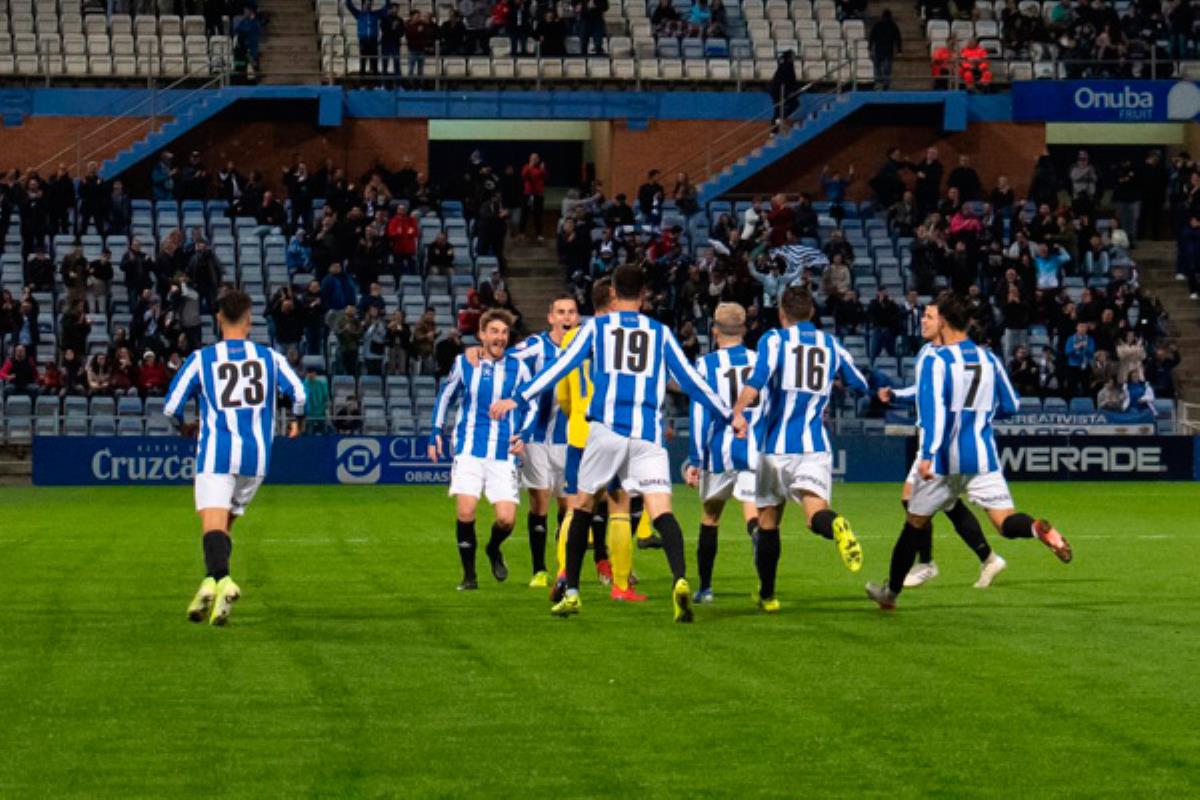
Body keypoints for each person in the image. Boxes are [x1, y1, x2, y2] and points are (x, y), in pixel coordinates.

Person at [493, 265, 732, 622]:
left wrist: (519, 397)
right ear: (644, 295)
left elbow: (561, 367)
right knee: (661, 510)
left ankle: (572, 591)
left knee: (583, 506)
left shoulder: (596, 328)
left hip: (604, 432)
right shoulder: (660, 332)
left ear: (614, 294)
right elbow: (691, 380)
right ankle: (680, 578)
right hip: (647, 434)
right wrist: (729, 414)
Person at [866, 293, 1073, 611]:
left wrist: (928, 455)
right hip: (983, 457)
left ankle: (890, 594)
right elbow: (1012, 405)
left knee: (914, 525)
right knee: (1005, 522)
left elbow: (933, 413)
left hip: (945, 460)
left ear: (943, 322)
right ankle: (1036, 529)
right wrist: (981, 417)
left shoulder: (936, 360)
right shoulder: (989, 359)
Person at [164, 289, 307, 626]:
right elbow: (299, 394)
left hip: (217, 453)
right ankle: (210, 585)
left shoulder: (202, 359)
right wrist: (297, 421)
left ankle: (222, 580)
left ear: (218, 319)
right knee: (224, 526)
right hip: (255, 459)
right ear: (249, 321)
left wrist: (183, 426)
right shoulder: (269, 357)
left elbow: (170, 406)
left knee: (212, 524)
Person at [729, 287, 867, 613]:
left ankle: (768, 596)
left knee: (768, 521)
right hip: (814, 446)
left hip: (775, 448)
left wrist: (738, 412)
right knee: (815, 514)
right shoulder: (830, 344)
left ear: (782, 314)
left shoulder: (774, 340)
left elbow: (758, 379)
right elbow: (859, 383)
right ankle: (836, 524)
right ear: (811, 313)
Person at [877, 297, 1003, 589]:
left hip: (941, 444)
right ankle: (986, 558)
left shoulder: (947, 357)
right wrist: (896, 395)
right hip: (932, 441)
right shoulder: (927, 353)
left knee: (917, 501)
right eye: (923, 316)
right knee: (940, 503)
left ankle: (926, 564)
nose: (924, 321)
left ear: (944, 322)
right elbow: (922, 392)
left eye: (930, 317)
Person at [428, 309, 534, 591]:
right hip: (469, 449)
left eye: (504, 332)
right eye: (494, 331)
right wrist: (435, 432)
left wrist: (525, 434)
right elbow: (445, 396)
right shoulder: (465, 363)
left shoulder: (519, 368)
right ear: (482, 335)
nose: (500, 337)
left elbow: (532, 404)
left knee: (506, 519)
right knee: (466, 511)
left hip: (504, 452)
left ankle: (493, 548)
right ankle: (469, 576)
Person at [683, 303, 763, 604]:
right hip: (753, 448)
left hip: (719, 449)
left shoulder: (706, 365)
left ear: (715, 330)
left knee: (711, 515)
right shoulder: (759, 361)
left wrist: (695, 459)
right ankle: (764, 583)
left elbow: (699, 414)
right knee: (752, 510)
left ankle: (705, 588)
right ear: (744, 329)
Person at [508, 295, 580, 587]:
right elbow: (504, 360)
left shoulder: (585, 346)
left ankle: (564, 567)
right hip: (536, 438)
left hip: (571, 438)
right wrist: (477, 353)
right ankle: (539, 569)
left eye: (571, 312)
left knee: (569, 508)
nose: (566, 317)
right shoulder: (536, 346)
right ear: (551, 317)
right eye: (560, 312)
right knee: (539, 503)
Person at [346, 0, 390, 75]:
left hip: (373, 40)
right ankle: (362, 79)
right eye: (366, 4)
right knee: (363, 61)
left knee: (374, 62)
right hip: (363, 40)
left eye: (369, 4)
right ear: (363, 5)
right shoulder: (359, 14)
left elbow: (386, 8)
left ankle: (375, 79)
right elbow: (349, 6)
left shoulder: (376, 14)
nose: (368, 6)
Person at [868, 9, 901, 89]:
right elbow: (898, 38)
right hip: (887, 51)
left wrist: (870, 47)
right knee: (886, 70)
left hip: (879, 50)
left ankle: (879, 83)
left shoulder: (878, 25)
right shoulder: (893, 25)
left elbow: (871, 37)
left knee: (877, 68)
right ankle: (885, 83)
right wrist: (899, 49)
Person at [767, 50, 799, 135]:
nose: (794, 57)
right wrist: (791, 91)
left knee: (778, 109)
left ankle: (774, 130)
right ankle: (778, 123)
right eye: (793, 55)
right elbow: (789, 80)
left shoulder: (783, 64)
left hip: (776, 89)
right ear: (789, 57)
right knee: (794, 104)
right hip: (779, 90)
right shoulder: (788, 65)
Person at [520, 153, 547, 241]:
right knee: (524, 214)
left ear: (538, 159)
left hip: (538, 195)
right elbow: (524, 176)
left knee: (538, 215)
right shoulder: (526, 167)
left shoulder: (541, 168)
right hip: (528, 194)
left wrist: (542, 169)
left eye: (536, 158)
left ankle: (539, 234)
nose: (534, 160)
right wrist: (530, 167)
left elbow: (544, 177)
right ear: (529, 159)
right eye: (532, 158)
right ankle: (521, 233)